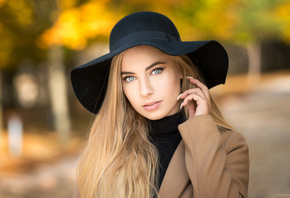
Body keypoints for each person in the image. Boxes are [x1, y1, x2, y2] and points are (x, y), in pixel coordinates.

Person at [71, 11, 249, 198]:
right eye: (129, 78)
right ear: (119, 86)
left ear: (180, 68)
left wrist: (201, 131)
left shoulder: (228, 145)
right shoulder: (104, 151)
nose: (145, 90)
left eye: (156, 71)